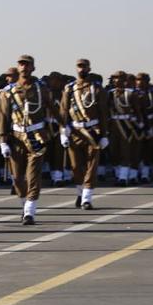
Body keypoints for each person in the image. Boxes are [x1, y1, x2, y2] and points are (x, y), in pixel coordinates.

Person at [0, 55, 55, 225]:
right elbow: (3, 117)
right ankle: (24, 204)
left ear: (33, 68)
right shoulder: (8, 91)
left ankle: (30, 211)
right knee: (17, 178)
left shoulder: (41, 89)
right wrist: (2, 140)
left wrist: (63, 128)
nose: (23, 67)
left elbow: (53, 109)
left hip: (36, 136)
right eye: (21, 64)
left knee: (33, 176)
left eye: (27, 64)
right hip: (16, 138)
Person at [60, 58, 109, 210]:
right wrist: (63, 131)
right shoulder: (69, 88)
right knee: (76, 166)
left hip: (93, 131)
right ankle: (80, 193)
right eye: (79, 66)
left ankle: (87, 198)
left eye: (84, 66)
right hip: (75, 131)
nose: (81, 69)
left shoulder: (97, 88)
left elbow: (103, 113)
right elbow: (63, 111)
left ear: (89, 68)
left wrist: (104, 134)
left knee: (91, 165)